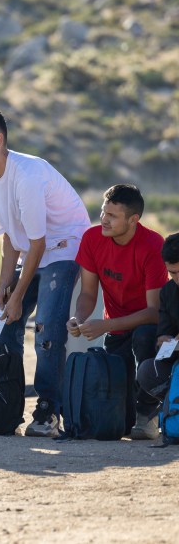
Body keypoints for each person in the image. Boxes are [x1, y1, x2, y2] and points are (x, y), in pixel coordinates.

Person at [0, 108, 89, 438]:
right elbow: (9, 237)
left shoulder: (28, 175)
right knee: (6, 323)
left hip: (64, 247)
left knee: (46, 327)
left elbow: (38, 243)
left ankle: (48, 411)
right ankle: (8, 404)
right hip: (34, 250)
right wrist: (6, 286)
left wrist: (18, 295)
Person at [68, 185, 168, 439]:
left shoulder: (153, 245)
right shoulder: (92, 238)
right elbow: (88, 294)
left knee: (143, 337)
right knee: (120, 426)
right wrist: (79, 318)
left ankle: (148, 415)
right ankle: (133, 416)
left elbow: (154, 312)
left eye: (112, 216)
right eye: (103, 212)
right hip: (116, 329)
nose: (104, 220)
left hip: (148, 326)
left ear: (134, 220)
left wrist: (105, 326)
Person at [137, 232, 179, 418]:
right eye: (173, 273)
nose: (178, 278)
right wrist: (164, 341)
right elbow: (163, 335)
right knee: (147, 371)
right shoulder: (168, 292)